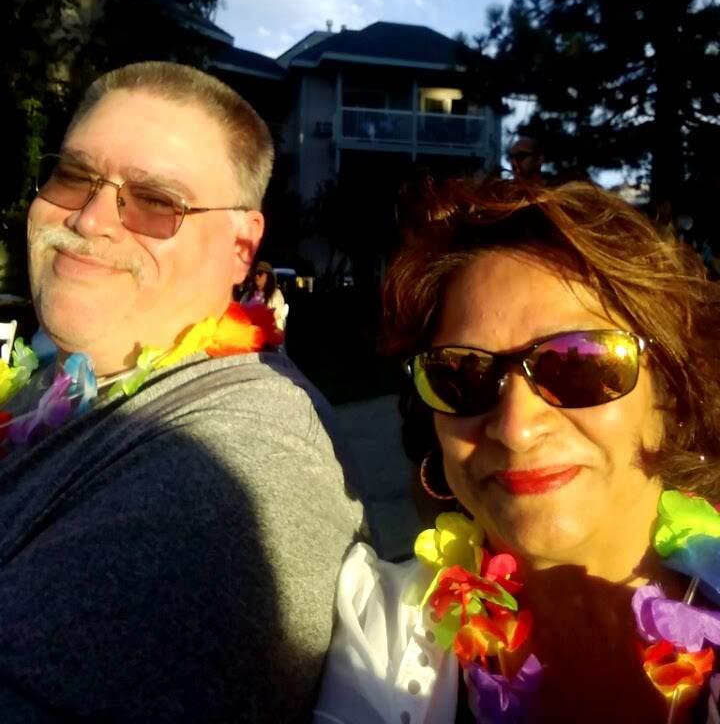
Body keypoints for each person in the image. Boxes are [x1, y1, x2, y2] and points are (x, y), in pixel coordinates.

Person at [0, 61, 364, 723]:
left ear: (240, 248)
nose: (87, 221)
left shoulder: (247, 457)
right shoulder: (49, 382)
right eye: (73, 175)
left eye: (156, 201)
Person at [314, 177, 720, 724]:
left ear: (668, 392)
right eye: (462, 375)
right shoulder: (383, 630)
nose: (515, 428)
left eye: (580, 365)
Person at [241, 260, 288, 331]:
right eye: (255, 273)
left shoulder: (275, 294)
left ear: (268, 276)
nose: (256, 276)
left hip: (267, 338)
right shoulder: (247, 296)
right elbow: (240, 316)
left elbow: (279, 320)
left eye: (260, 273)